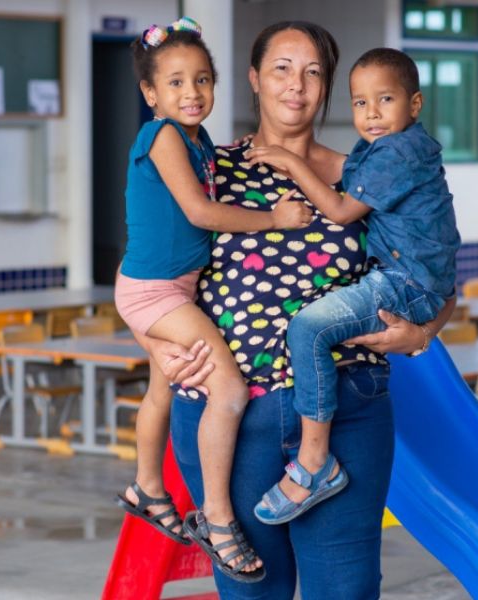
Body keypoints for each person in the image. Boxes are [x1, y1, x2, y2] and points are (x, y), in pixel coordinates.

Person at [142, 21, 455, 599]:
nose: (297, 85)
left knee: (346, 588)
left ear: (329, 87)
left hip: (348, 412)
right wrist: (159, 348)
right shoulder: (207, 169)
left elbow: (434, 265)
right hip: (231, 416)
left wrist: (422, 331)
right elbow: (146, 269)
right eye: (282, 69)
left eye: (313, 72)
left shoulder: (366, 175)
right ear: (256, 79)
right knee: (252, 591)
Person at [113, 17, 312, 583]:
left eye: (202, 80)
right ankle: (219, 519)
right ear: (151, 94)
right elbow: (201, 213)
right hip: (155, 293)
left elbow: (211, 181)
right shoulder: (164, 136)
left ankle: (147, 488)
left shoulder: (198, 142)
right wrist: (274, 219)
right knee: (226, 386)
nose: (191, 93)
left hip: (166, 287)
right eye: (175, 83)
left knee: (163, 385)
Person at [243, 47, 461, 524]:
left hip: (403, 283)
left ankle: (314, 461)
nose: (372, 113)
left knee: (308, 330)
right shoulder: (381, 152)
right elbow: (347, 175)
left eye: (385, 99)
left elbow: (342, 210)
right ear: (255, 78)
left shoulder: (399, 151)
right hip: (411, 280)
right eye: (360, 103)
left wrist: (288, 161)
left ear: (415, 104)